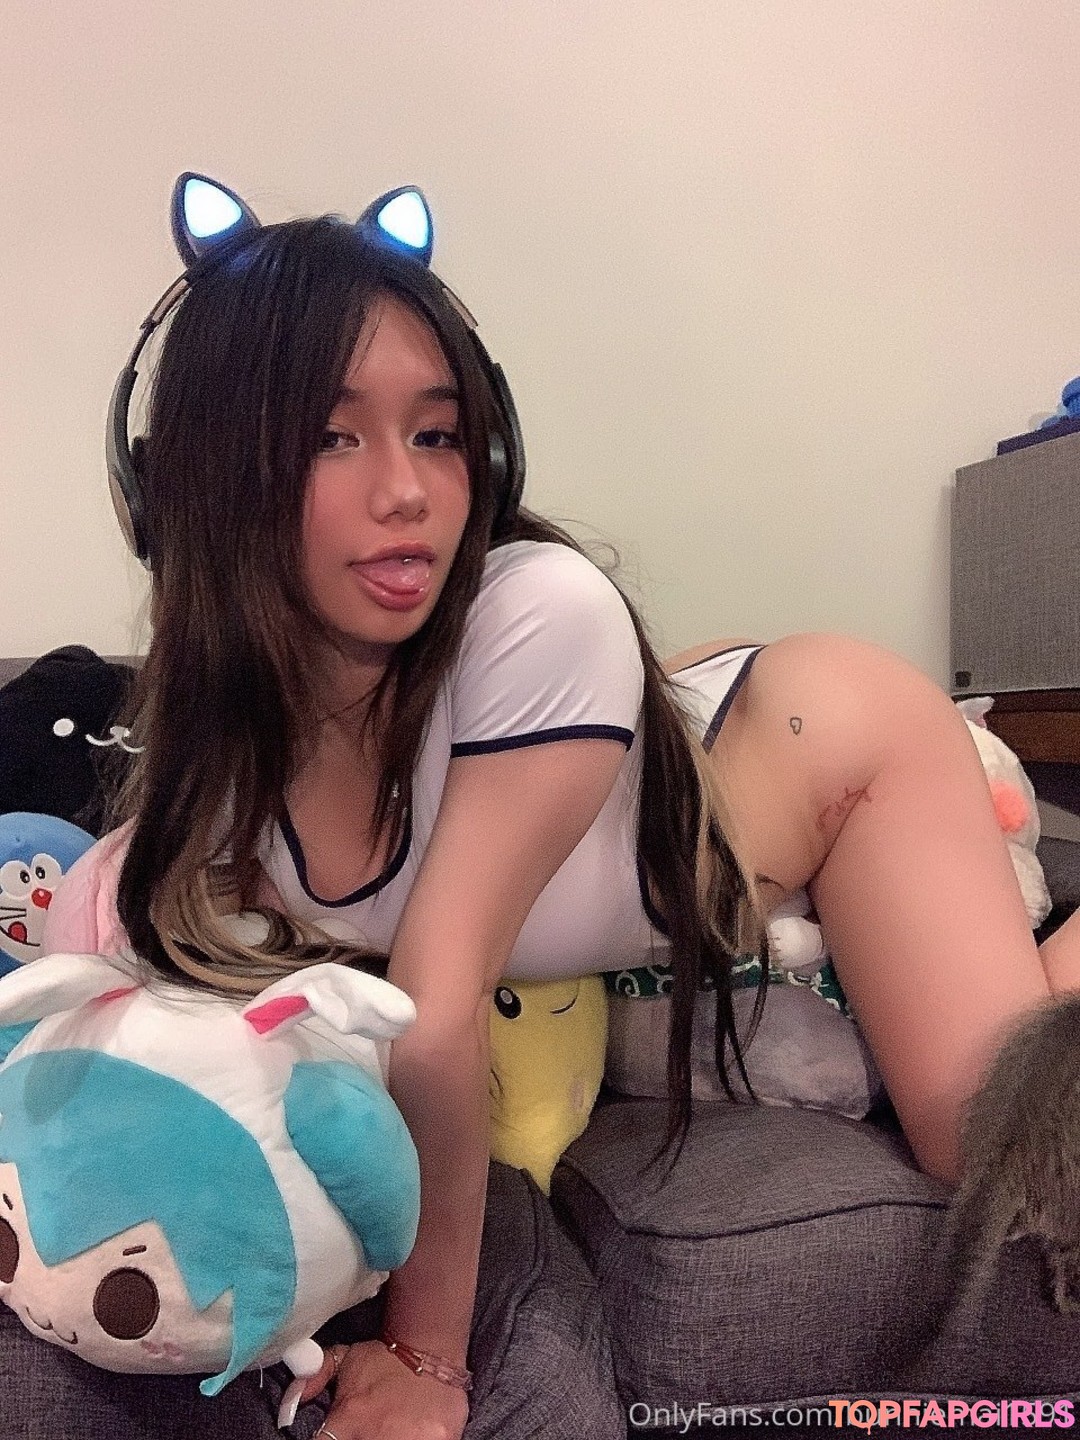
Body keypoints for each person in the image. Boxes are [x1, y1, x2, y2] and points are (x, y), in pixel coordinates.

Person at [32, 176, 1080, 1440]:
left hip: (833, 758)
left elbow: (435, 1006)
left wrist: (427, 1359)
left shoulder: (542, 608)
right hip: (668, 738)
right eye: (330, 439)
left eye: (435, 434)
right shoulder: (224, 728)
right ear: (194, 483)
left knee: (990, 1146)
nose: (407, 491)